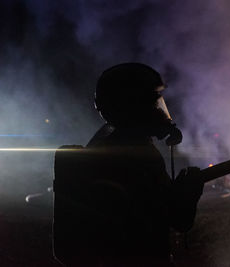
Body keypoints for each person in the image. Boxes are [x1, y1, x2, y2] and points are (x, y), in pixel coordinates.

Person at [53, 63, 204, 266]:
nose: (160, 111)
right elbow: (177, 219)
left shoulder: (104, 145)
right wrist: (189, 190)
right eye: (153, 103)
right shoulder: (138, 156)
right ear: (135, 107)